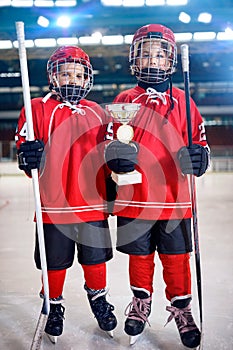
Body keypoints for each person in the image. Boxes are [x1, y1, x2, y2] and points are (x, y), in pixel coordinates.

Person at [104, 24, 210, 348]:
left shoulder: (185, 100)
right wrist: (115, 158)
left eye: (160, 54)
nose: (153, 59)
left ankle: (181, 308)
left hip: (175, 200)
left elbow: (200, 142)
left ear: (171, 61)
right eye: (145, 53)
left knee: (177, 258)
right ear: (134, 58)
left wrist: (199, 158)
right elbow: (111, 142)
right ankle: (140, 303)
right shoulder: (125, 99)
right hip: (135, 199)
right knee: (140, 257)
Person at [15, 45, 117, 342]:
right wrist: (28, 156)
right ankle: (54, 304)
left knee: (95, 259)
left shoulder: (98, 112)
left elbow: (108, 155)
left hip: (91, 203)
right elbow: (27, 157)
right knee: (55, 261)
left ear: (87, 79)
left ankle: (99, 300)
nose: (71, 79)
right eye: (65, 73)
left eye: (78, 74)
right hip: (53, 204)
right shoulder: (35, 108)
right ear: (53, 77)